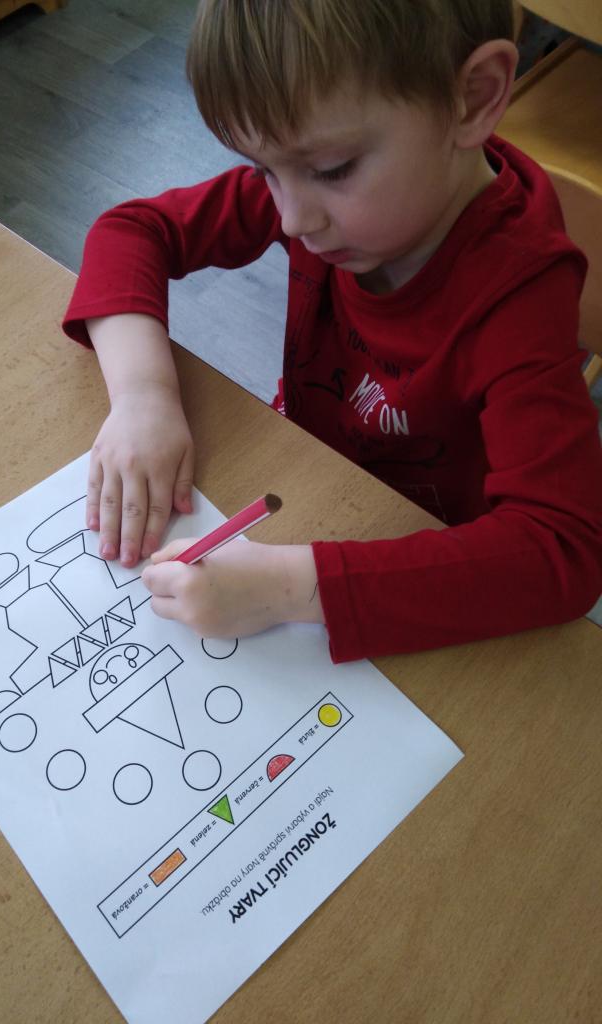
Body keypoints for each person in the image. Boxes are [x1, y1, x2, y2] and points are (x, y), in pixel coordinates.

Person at [62, 0, 602, 661]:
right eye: (264, 171)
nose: (292, 219)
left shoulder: (519, 293)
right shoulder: (318, 185)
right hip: (303, 479)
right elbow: (132, 231)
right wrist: (144, 396)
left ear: (473, 98)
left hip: (429, 553)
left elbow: (562, 552)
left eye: (332, 170)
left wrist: (290, 588)